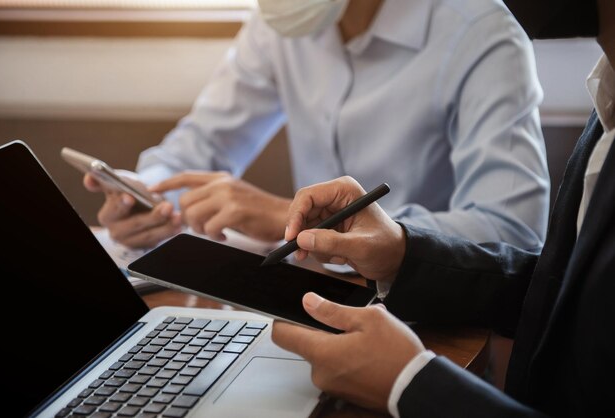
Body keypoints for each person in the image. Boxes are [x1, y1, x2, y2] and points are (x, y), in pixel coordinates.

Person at [271, 1, 614, 416]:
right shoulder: (607, 94)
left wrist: (413, 384)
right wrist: (402, 253)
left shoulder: (479, 27)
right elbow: (565, 296)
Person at [85, 0, 550, 250]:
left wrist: (298, 220)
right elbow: (203, 142)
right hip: (308, 290)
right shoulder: (283, 19)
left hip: (426, 321)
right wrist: (143, 195)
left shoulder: (481, 33)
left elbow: (513, 230)